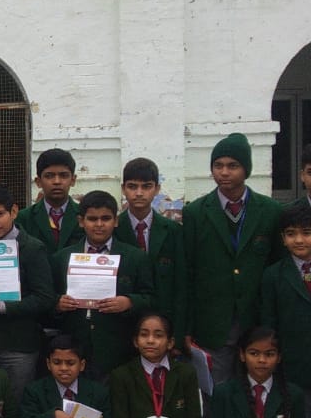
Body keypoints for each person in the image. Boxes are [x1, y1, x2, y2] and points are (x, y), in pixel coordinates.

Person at [183, 132, 283, 385]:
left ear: (246, 169)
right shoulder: (196, 212)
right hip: (212, 323)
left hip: (256, 319)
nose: (224, 172)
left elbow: (277, 269)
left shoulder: (271, 211)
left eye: (232, 165)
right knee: (217, 390)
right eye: (218, 165)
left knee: (255, 389)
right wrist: (186, 327)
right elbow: (188, 273)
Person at [52, 190, 155, 381]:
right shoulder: (62, 258)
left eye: (105, 218)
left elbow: (150, 297)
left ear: (116, 221)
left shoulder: (135, 257)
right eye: (92, 219)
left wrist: (129, 302)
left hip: (118, 349)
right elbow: (47, 299)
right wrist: (58, 304)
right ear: (81, 221)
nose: (99, 224)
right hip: (75, 349)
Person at [0, 184, 56, 400]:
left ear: (14, 211)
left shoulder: (32, 248)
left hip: (19, 343)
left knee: (17, 399)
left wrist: (2, 306)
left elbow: (45, 298)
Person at [116, 158, 186, 350]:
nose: (139, 193)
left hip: (164, 322)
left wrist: (179, 333)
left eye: (146, 186)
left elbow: (181, 285)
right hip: (123, 325)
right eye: (132, 186)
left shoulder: (173, 231)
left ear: (157, 189)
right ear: (123, 189)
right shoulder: (113, 229)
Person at [259, 201, 311, 391]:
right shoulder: (273, 275)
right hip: (292, 364)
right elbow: (268, 321)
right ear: (282, 238)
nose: (299, 240)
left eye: (306, 233)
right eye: (291, 234)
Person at [17, 149, 82, 250]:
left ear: (73, 180)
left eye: (63, 175)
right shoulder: (23, 218)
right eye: (49, 176)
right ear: (38, 182)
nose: (57, 181)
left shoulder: (85, 215)